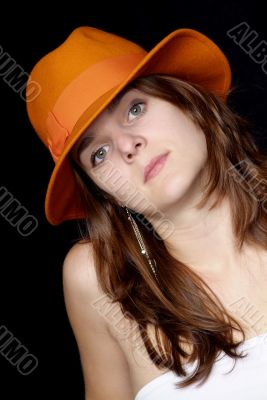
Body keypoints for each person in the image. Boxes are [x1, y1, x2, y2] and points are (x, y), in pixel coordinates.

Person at [26, 26, 267, 399]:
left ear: (185, 99)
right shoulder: (96, 279)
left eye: (135, 108)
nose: (127, 146)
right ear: (103, 192)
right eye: (98, 153)